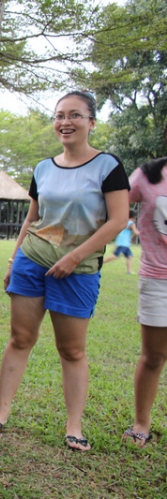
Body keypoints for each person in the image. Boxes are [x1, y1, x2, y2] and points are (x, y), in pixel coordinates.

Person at [0, 91, 130, 451]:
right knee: (20, 339)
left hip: (78, 270)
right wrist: (14, 262)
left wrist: (75, 257)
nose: (65, 121)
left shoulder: (107, 166)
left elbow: (119, 219)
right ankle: (0, 411)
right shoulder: (43, 168)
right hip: (33, 261)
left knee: (72, 350)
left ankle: (74, 426)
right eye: (59, 115)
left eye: (75, 115)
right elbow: (32, 218)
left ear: (91, 122)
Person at [122, 156, 167, 447]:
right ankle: (142, 423)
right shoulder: (148, 175)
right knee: (153, 357)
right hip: (157, 280)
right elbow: (114, 203)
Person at [103, 209, 139, 273]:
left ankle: (129, 271)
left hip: (123, 242)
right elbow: (135, 232)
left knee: (129, 256)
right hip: (123, 243)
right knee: (115, 256)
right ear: (134, 216)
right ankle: (101, 263)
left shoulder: (124, 222)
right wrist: (143, 233)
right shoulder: (131, 223)